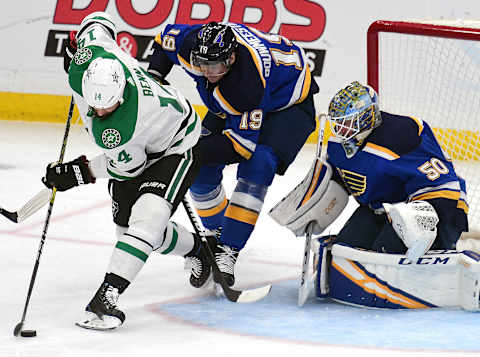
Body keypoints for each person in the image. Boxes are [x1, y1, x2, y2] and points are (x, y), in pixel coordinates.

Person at [44, 11, 216, 330]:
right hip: (138, 146)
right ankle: (199, 249)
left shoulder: (120, 127)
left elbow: (124, 169)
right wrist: (78, 43)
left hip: (177, 144)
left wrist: (76, 173)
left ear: (120, 92)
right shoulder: (92, 56)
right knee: (128, 235)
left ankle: (107, 296)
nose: (100, 112)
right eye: (95, 106)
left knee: (147, 220)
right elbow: (98, 21)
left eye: (107, 106)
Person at [147, 22, 319, 286]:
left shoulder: (246, 86)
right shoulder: (193, 45)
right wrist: (155, 78)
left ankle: (229, 248)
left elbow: (239, 147)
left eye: (215, 66)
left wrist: (183, 150)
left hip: (288, 105)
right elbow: (162, 39)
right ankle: (217, 235)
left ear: (231, 57)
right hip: (239, 95)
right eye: (202, 64)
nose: (207, 72)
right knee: (199, 168)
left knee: (259, 164)